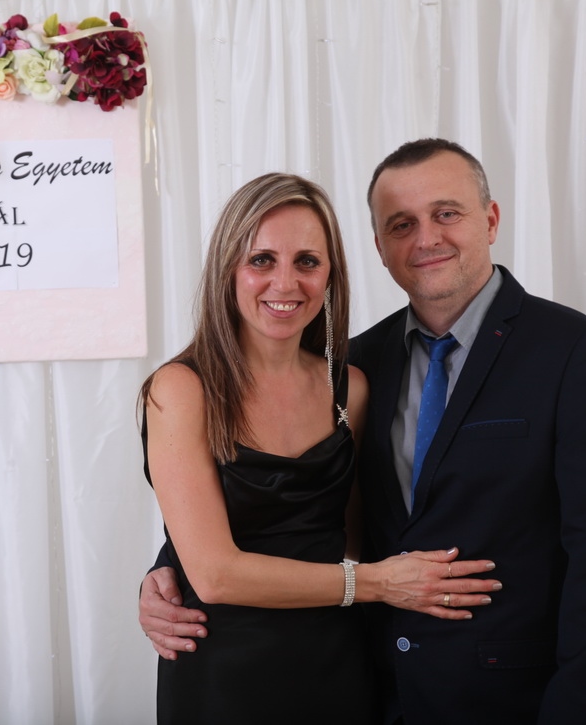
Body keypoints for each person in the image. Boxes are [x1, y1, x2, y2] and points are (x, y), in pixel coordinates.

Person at [140, 141, 586, 725]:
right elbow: (292, 506)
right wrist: (166, 574)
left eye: (447, 213)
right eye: (401, 224)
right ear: (379, 247)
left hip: (515, 700)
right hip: (376, 689)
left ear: (490, 220)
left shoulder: (578, 354)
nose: (425, 238)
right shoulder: (359, 367)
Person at [139, 172, 501, 724]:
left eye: (307, 261)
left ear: (331, 275)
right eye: (262, 260)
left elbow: (355, 535)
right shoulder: (181, 389)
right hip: (223, 674)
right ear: (227, 269)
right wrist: (380, 584)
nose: (285, 283)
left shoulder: (349, 387)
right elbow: (214, 574)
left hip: (339, 662)